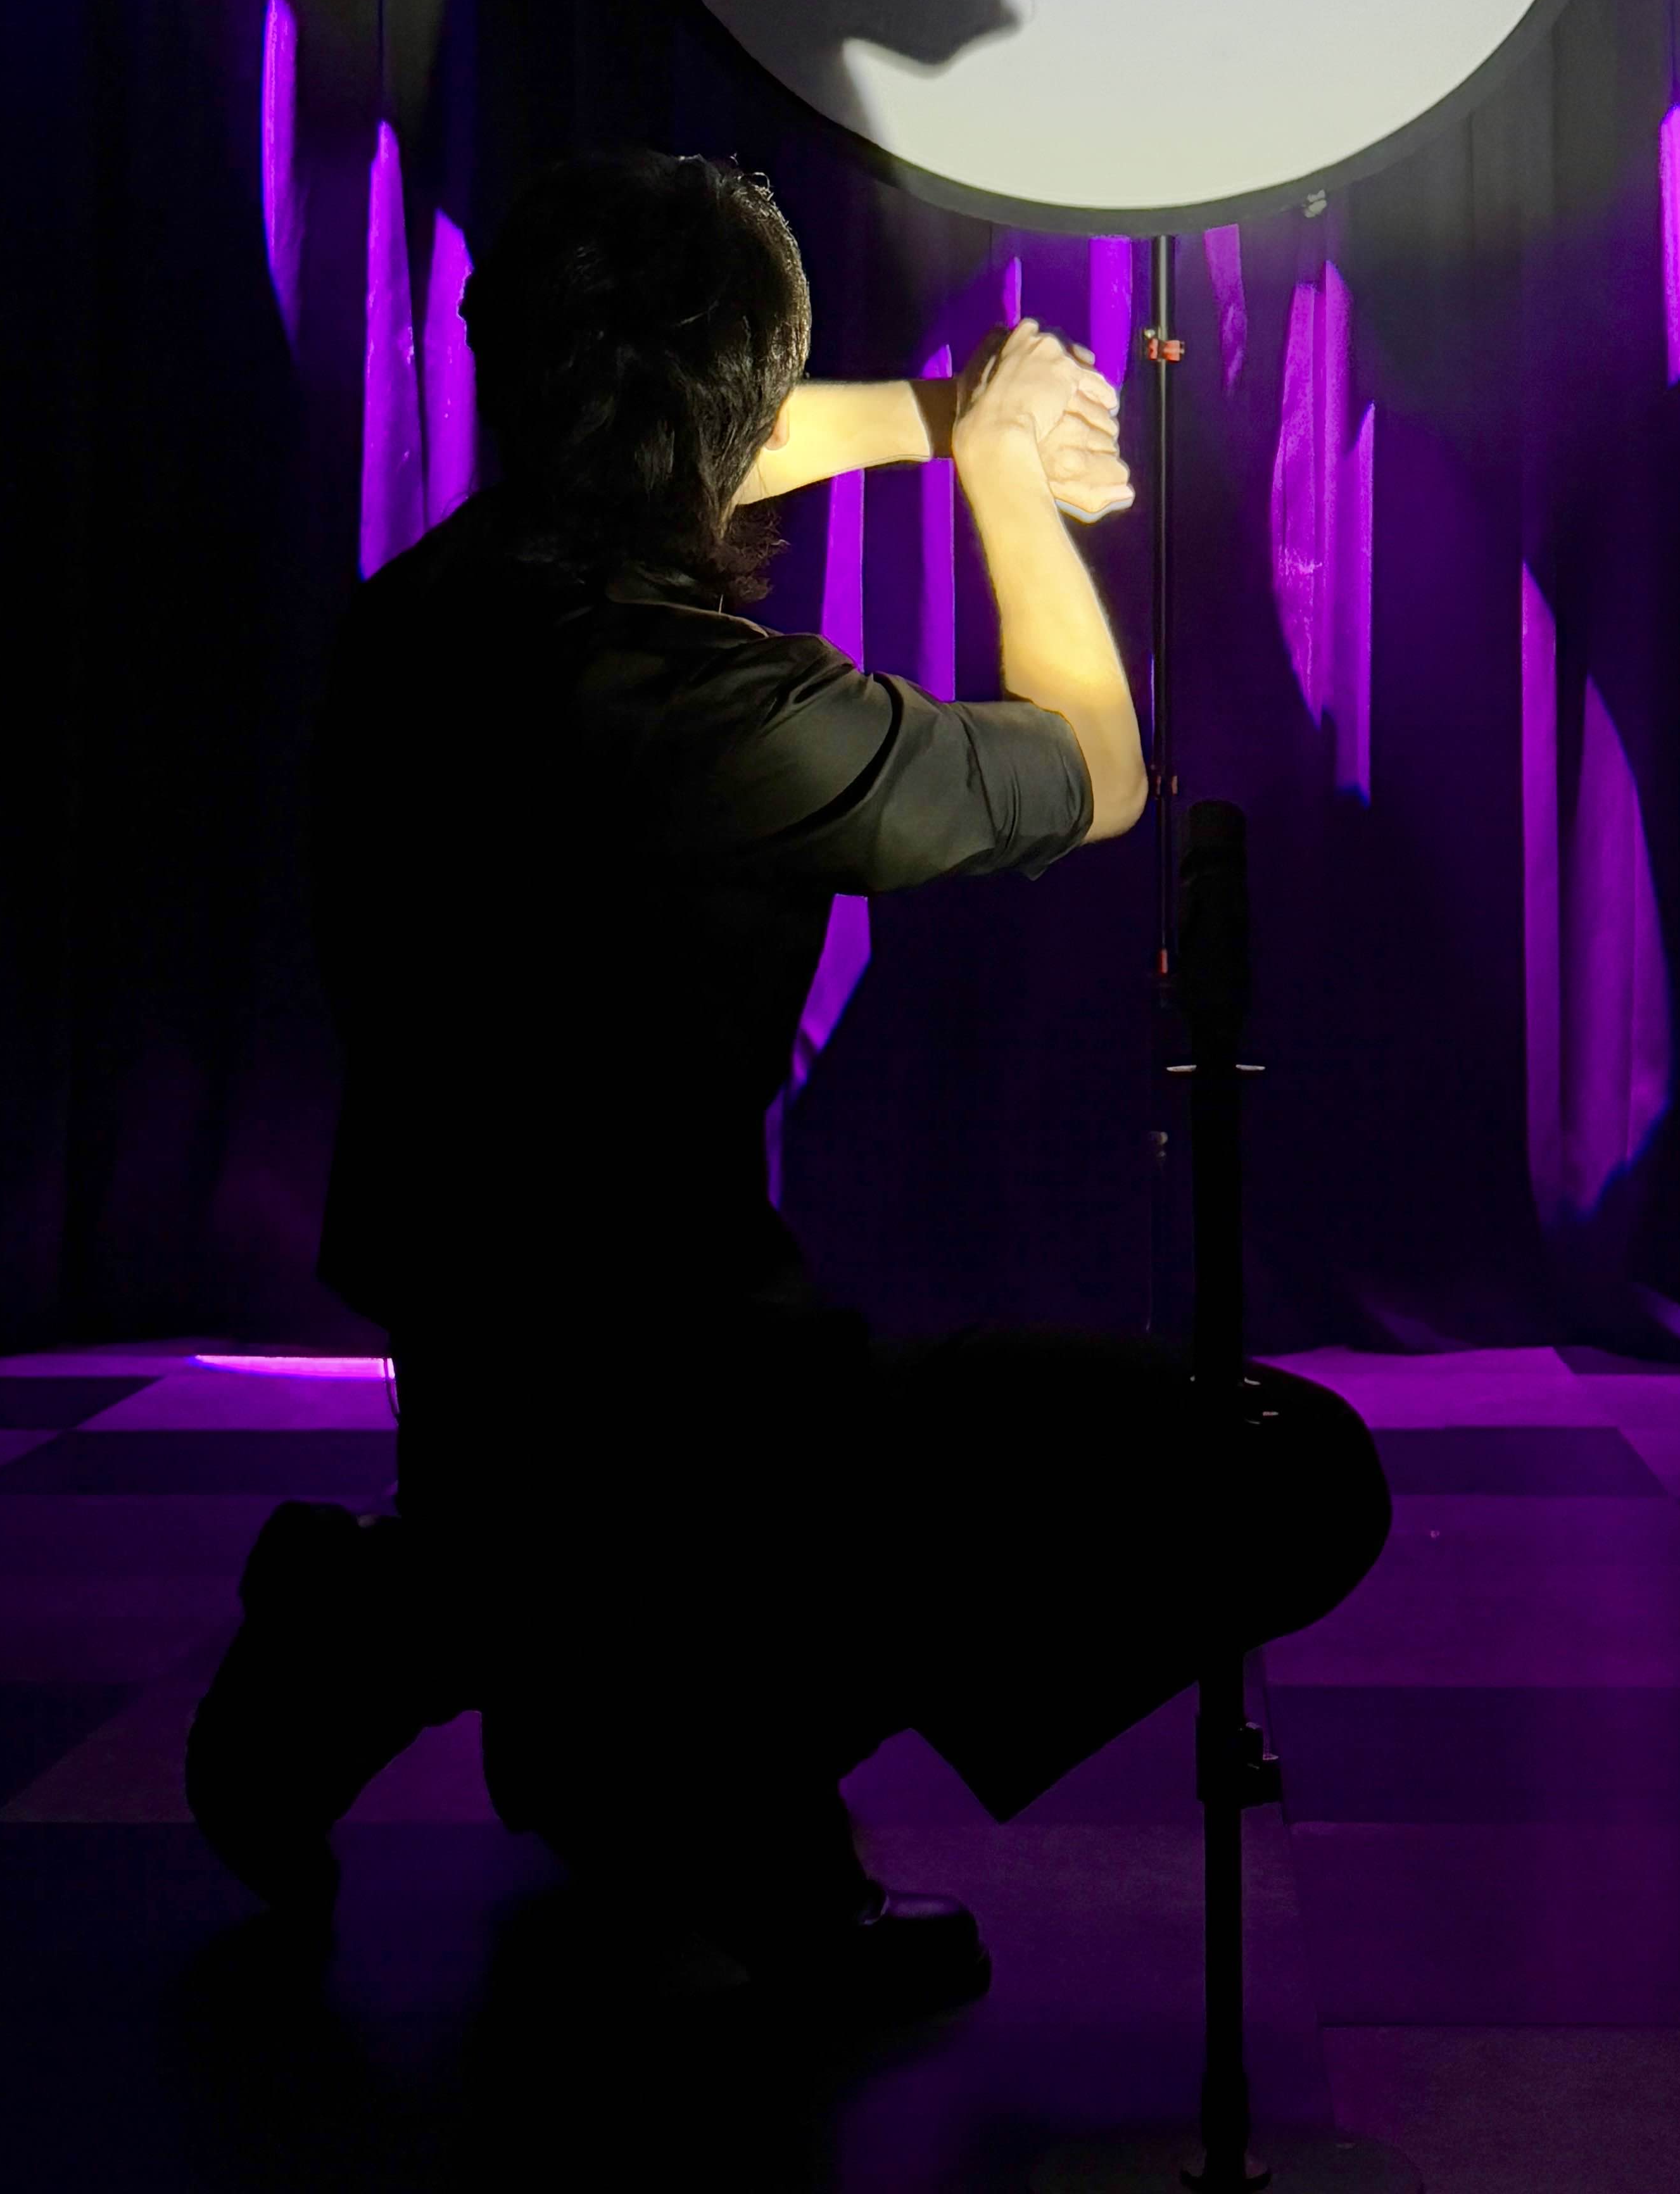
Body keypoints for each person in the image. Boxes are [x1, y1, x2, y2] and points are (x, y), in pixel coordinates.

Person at [187, 148, 1389, 2012]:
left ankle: (421, 1626)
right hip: (686, 1399)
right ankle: (644, 1737)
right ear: (731, 409)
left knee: (565, 1613)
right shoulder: (713, 721)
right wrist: (1002, 476)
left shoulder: (434, 609)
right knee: (1282, 1481)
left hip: (493, 1377)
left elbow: (667, 455)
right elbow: (1092, 772)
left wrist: (946, 408)